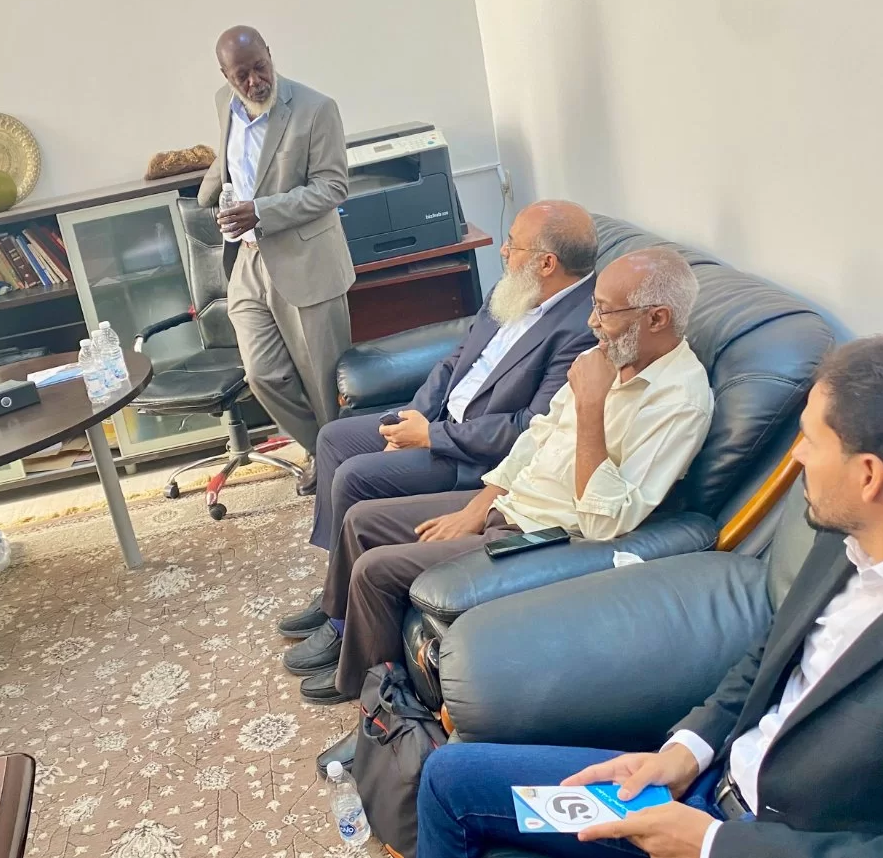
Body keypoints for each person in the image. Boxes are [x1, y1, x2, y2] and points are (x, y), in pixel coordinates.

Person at [415, 335, 883, 858]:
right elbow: (769, 656)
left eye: (809, 441)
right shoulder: (857, 530)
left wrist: (714, 849)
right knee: (449, 776)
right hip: (702, 786)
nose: (795, 457)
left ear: (869, 476)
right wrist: (685, 749)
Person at [292, 248, 712, 704]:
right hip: (508, 502)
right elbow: (536, 435)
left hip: (545, 534)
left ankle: (376, 701)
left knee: (375, 571)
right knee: (361, 521)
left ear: (657, 318)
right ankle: (343, 629)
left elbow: (604, 522)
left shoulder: (679, 402)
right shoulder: (610, 354)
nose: (592, 322)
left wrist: (592, 406)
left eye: (606, 312)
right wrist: (479, 505)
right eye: (594, 305)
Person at [275, 200, 599, 642]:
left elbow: (527, 427)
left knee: (354, 476)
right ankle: (339, 582)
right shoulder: (515, 289)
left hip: (471, 455)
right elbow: (455, 362)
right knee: (332, 438)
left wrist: (431, 436)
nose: (503, 251)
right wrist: (414, 417)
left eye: (513, 245)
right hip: (438, 421)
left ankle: (341, 620)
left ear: (547, 263)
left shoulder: (580, 328)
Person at [197, 26, 352, 489]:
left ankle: (340, 465)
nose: (254, 81)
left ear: (270, 53)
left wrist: (261, 211)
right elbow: (235, 158)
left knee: (323, 380)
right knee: (262, 375)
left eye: (260, 67)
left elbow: (332, 187)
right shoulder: (223, 103)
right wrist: (210, 191)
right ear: (225, 75)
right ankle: (322, 448)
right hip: (246, 260)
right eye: (241, 75)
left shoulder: (315, 109)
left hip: (305, 257)